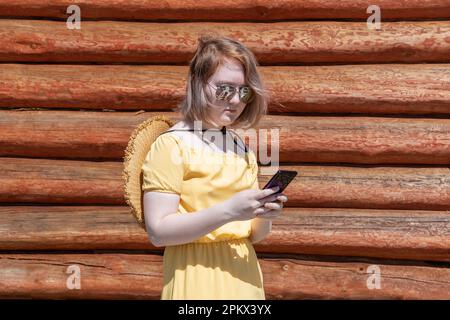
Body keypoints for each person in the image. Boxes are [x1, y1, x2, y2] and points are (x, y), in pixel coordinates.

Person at [141, 35, 288, 300]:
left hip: (245, 277)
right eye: (224, 89)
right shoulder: (172, 145)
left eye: (244, 91)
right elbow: (158, 232)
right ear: (197, 85)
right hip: (196, 277)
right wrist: (230, 211)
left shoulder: (239, 147)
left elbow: (253, 235)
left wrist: (264, 215)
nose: (234, 100)